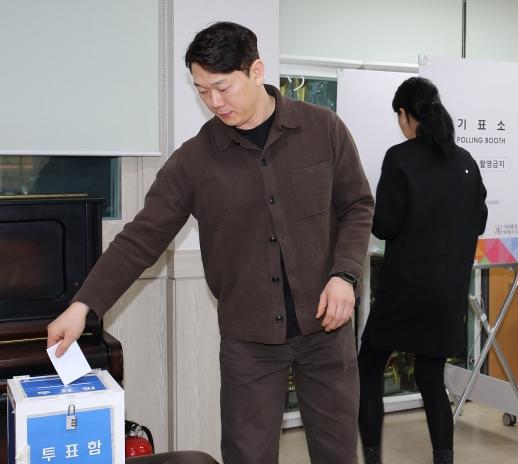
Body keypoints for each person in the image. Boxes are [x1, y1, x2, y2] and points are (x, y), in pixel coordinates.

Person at [46, 22, 374, 464]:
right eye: (202, 91)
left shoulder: (323, 129)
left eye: (222, 87)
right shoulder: (195, 160)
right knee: (246, 455)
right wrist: (83, 305)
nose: (214, 102)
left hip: (327, 331)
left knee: (337, 453)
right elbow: (141, 237)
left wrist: (344, 275)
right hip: (249, 341)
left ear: (256, 71)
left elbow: (357, 205)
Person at [357, 77, 488, 464]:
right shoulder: (465, 161)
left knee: (368, 367)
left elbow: (385, 225)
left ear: (404, 115)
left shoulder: (400, 158)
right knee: (430, 378)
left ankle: (372, 458)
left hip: (404, 290)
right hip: (447, 293)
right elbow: (479, 220)